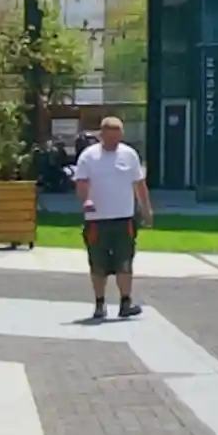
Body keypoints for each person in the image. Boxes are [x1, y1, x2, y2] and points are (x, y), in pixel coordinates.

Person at [72, 112, 148, 323]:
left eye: (118, 137)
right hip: (97, 220)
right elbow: (81, 183)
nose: (114, 142)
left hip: (124, 218)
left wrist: (146, 208)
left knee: (125, 261)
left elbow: (139, 183)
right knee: (98, 263)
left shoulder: (129, 155)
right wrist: (86, 200)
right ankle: (99, 303)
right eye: (110, 137)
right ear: (101, 135)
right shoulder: (88, 156)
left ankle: (125, 303)